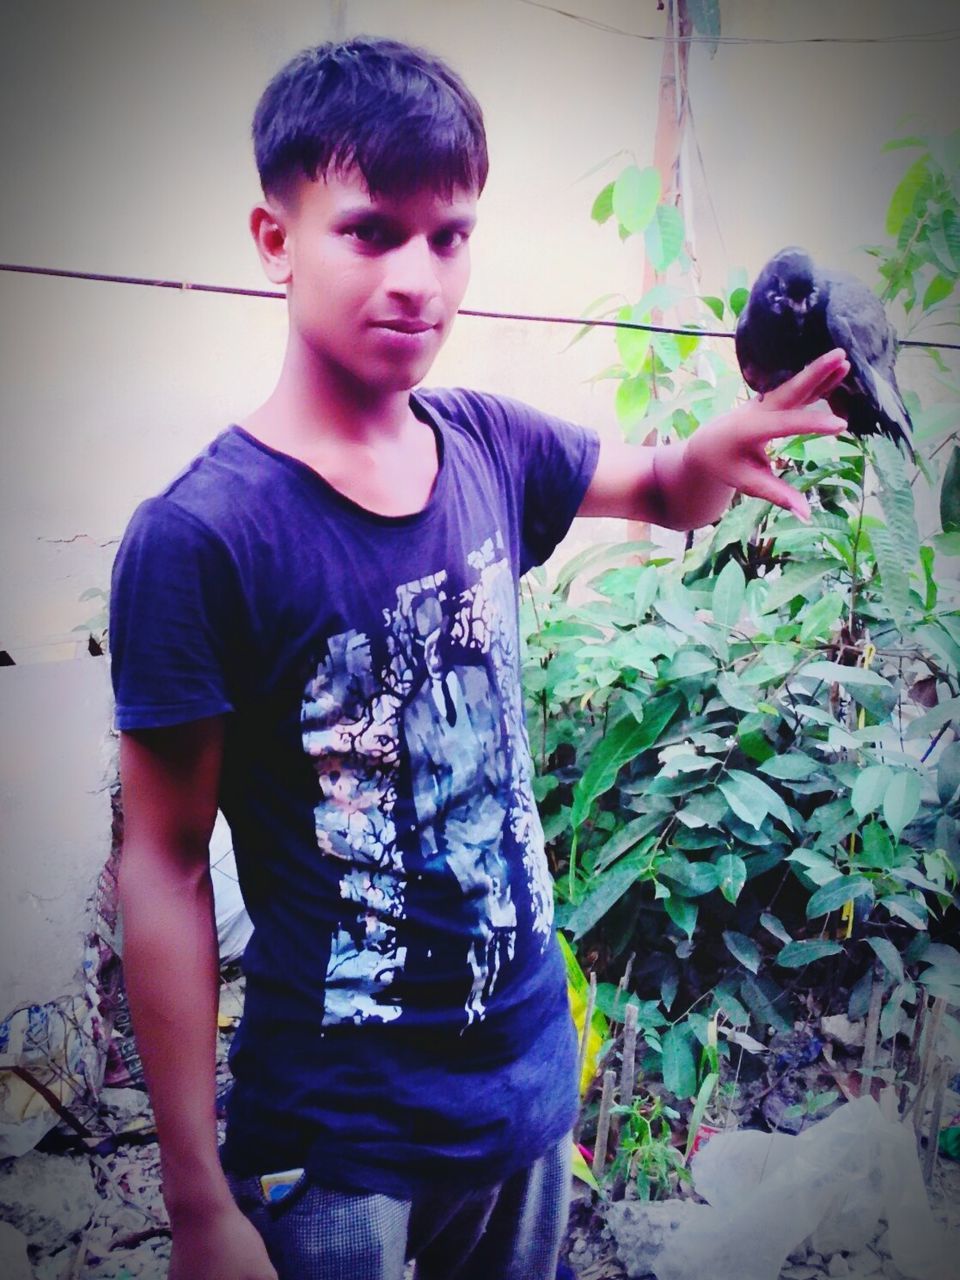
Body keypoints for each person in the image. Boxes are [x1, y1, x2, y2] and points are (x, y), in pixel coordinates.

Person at [109, 35, 849, 1280]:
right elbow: (165, 866)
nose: (418, 276)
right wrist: (197, 1204)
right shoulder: (202, 538)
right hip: (333, 1135)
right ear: (274, 237)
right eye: (372, 230)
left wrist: (717, 453)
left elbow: (661, 485)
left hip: (521, 1090)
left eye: (449, 236)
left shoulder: (489, 444)